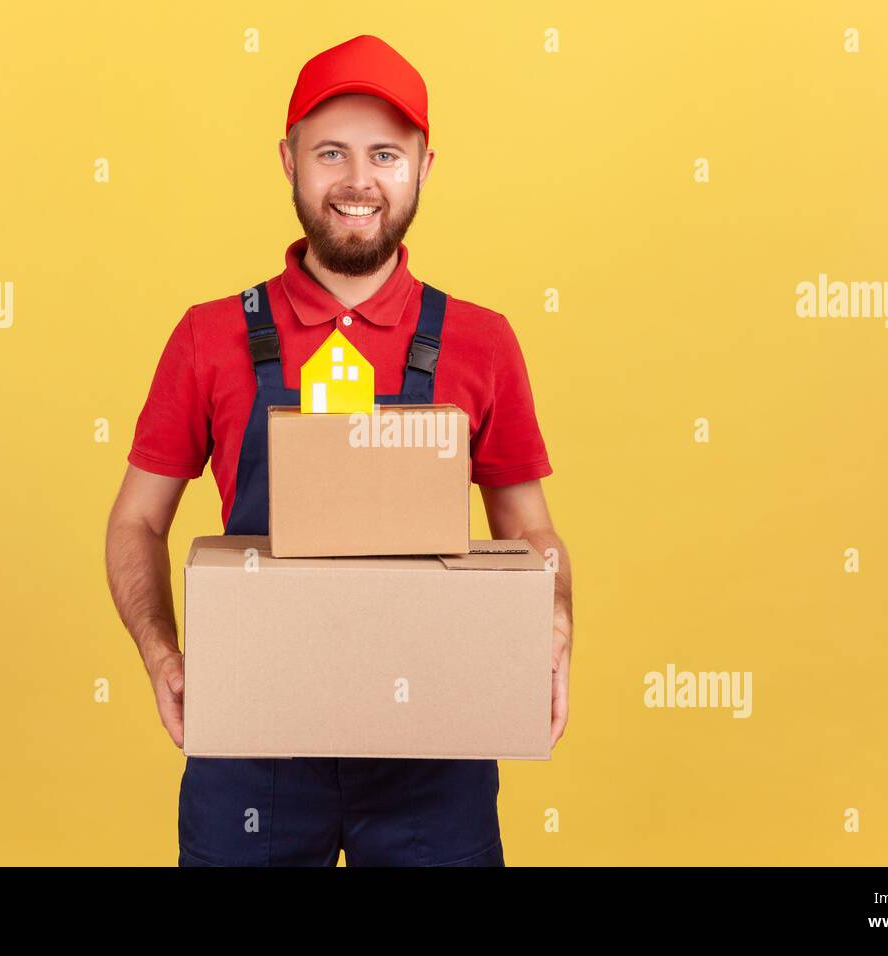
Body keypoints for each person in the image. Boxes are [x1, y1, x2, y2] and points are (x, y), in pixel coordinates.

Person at [105, 34, 573, 866]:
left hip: (436, 744)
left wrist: (554, 625)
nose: (359, 182)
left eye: (385, 154)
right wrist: (161, 654)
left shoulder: (481, 341)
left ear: (425, 167)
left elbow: (530, 529)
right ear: (288, 161)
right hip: (254, 746)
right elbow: (138, 520)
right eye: (332, 153)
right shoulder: (209, 336)